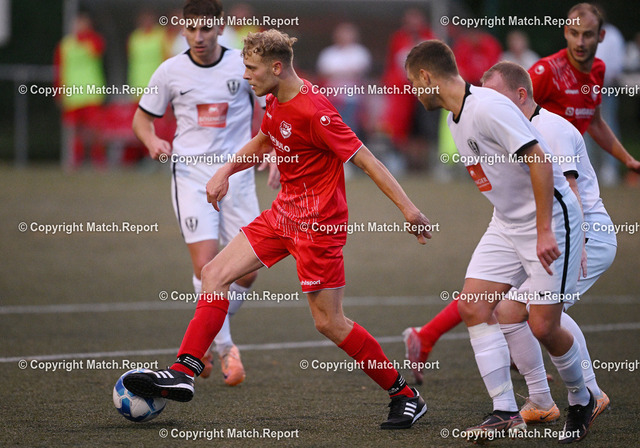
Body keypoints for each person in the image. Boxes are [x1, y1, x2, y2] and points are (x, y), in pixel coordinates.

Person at [124, 28, 432, 430]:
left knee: (329, 322)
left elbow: (366, 160)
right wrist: (225, 171)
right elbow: (262, 141)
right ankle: (183, 371)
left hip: (318, 228)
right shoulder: (273, 99)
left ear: (275, 67)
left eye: (251, 69)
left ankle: (404, 395)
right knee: (214, 273)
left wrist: (409, 210)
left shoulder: (316, 111)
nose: (245, 76)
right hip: (282, 215)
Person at [405, 40, 591, 443]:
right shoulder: (455, 120)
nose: (412, 92)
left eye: (412, 83)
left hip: (552, 222)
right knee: (473, 305)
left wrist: (544, 230)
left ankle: (581, 399)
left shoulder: (488, 106)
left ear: (425, 76)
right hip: (506, 225)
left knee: (543, 326)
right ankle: (505, 411)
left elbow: (540, 160)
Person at [131, 0, 273, 386]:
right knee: (207, 266)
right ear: (181, 29)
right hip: (192, 177)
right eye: (191, 28)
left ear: (221, 28)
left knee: (247, 271)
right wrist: (152, 141)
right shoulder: (170, 71)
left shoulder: (243, 66)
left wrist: (274, 150)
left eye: (206, 28)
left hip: (237, 176)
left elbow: (272, 108)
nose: (198, 36)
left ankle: (206, 338)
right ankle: (225, 348)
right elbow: (142, 119)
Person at [482, 62, 615, 427]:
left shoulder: (550, 129)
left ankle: (590, 393)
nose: (488, 105)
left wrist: (579, 243)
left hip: (586, 235)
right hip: (557, 235)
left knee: (542, 314)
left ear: (521, 94)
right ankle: (541, 400)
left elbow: (569, 189)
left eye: (495, 97)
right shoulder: (513, 130)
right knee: (510, 310)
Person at [528, 3, 640, 175]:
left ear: (601, 36)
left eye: (587, 35)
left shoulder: (598, 69)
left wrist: (628, 160)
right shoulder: (547, 70)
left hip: (570, 168)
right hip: (543, 168)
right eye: (574, 33)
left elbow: (595, 123)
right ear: (566, 32)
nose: (580, 42)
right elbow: (510, 111)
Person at [53, 12, 106, 168]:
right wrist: (58, 92)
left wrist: (84, 36)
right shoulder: (65, 45)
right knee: (74, 130)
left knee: (94, 129)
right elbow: (59, 70)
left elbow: (98, 48)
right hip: (73, 94)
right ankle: (76, 160)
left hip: (91, 93)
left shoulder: (93, 40)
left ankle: (98, 160)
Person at [316, 22, 372, 136]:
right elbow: (323, 74)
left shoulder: (360, 52)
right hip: (331, 98)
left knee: (350, 128)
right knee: (331, 128)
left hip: (352, 99)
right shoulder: (328, 53)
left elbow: (358, 73)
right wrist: (345, 73)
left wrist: (336, 74)